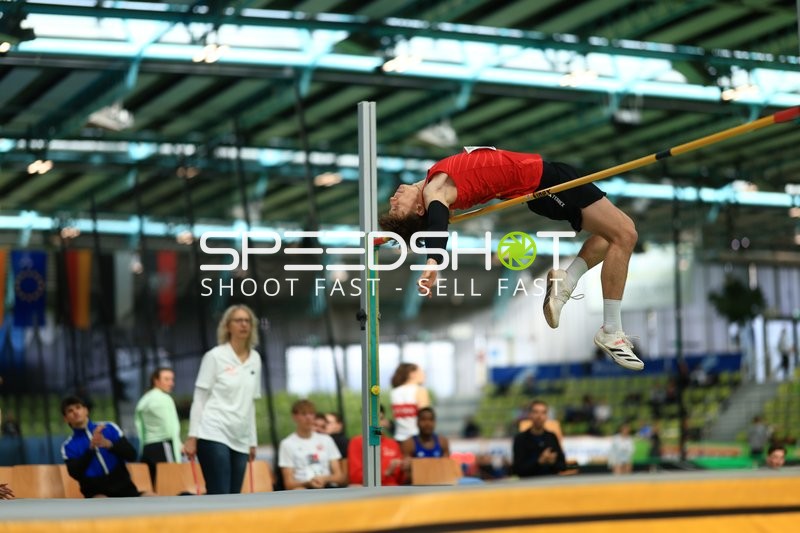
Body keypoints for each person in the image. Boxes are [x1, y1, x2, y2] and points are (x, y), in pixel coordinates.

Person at [379, 147, 642, 371]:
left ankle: (567, 280)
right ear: (418, 209)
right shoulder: (434, 191)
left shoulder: (432, 180)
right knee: (625, 235)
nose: (393, 198)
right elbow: (437, 221)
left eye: (392, 203)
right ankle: (611, 330)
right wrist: (433, 260)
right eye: (396, 207)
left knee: (616, 234)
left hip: (546, 176)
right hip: (546, 184)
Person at [184, 304, 262, 495]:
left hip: (241, 438)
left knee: (234, 496)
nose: (243, 325)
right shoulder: (214, 356)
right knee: (220, 493)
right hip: (213, 432)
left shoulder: (256, 359)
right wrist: (192, 437)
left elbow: (250, 403)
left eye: (247, 321)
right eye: (238, 320)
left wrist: (252, 440)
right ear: (227, 326)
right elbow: (200, 399)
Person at [60, 395, 140, 498]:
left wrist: (109, 445)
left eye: (78, 407)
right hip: (95, 492)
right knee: (102, 501)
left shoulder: (109, 428)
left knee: (152, 497)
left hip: (124, 487)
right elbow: (75, 473)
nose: (75, 412)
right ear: (66, 419)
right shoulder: (68, 446)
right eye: (70, 411)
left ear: (86, 410)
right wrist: (91, 449)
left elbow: (132, 455)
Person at [278, 399, 346, 490]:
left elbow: (340, 477)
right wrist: (308, 483)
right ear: (294, 417)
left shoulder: (327, 440)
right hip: (303, 491)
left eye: (311, 413)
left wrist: (325, 479)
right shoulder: (287, 444)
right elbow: (289, 484)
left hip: (328, 487)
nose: (308, 417)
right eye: (304, 414)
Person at [134, 367, 182, 484]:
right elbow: (170, 428)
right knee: (171, 487)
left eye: (172, 379)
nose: (171, 383)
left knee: (153, 489)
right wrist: (178, 445)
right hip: (164, 447)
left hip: (147, 448)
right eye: (167, 379)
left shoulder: (144, 400)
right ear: (156, 380)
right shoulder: (164, 399)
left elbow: (139, 427)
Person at [348, 404, 407, 486]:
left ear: (385, 421)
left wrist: (405, 469)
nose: (377, 423)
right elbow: (355, 477)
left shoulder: (392, 443)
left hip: (393, 491)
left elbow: (400, 479)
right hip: (369, 492)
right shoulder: (356, 442)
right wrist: (386, 473)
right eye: (373, 419)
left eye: (381, 419)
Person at [512, 400, 566, 477]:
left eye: (543, 413)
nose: (539, 416)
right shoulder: (520, 439)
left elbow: (563, 466)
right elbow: (517, 469)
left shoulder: (552, 437)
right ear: (530, 415)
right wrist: (539, 461)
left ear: (547, 416)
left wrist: (553, 462)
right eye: (536, 412)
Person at [390, 363, 431, 443]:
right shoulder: (420, 391)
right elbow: (426, 418)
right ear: (412, 374)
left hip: (399, 437)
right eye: (421, 372)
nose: (424, 375)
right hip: (417, 439)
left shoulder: (394, 392)